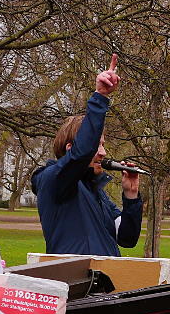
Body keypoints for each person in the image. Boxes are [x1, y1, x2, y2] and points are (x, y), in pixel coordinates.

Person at [31, 58, 143, 257]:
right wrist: (99, 97)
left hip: (107, 282)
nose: (103, 153)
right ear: (70, 148)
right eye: (97, 145)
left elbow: (127, 238)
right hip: (75, 282)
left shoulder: (97, 193)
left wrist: (131, 196)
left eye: (103, 145)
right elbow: (82, 153)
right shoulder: (52, 180)